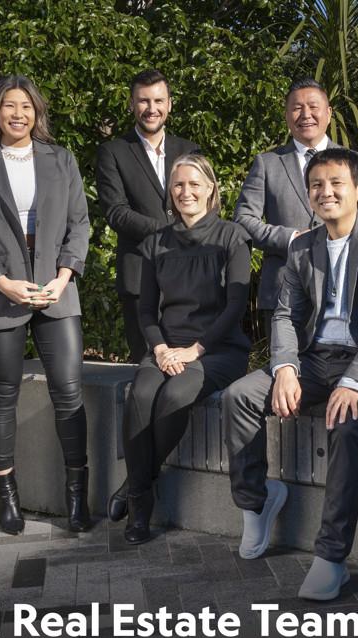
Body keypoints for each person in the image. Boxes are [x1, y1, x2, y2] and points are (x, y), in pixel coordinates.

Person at [223, 148, 358, 601]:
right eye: (316, 185)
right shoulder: (302, 246)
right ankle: (255, 503)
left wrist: (353, 381)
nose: (325, 192)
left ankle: (332, 556)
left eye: (336, 183)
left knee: (346, 422)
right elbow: (285, 315)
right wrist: (285, 368)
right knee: (239, 396)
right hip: (315, 360)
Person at [0, 75, 92, 534]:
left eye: (27, 106)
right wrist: (1, 281)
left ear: (37, 113)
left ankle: (77, 498)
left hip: (56, 290)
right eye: (10, 106)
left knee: (69, 392)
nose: (19, 114)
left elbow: (79, 223)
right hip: (1, 293)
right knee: (2, 394)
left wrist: (64, 277)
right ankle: (7, 498)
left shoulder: (62, 159)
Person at [106, 154, 251, 545]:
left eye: (194, 184)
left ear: (210, 189)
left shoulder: (232, 237)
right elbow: (145, 311)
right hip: (166, 347)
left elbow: (236, 306)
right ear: (170, 192)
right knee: (140, 394)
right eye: (178, 185)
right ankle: (140, 496)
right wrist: (159, 348)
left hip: (218, 349)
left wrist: (195, 351)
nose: (186, 192)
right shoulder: (156, 243)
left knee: (174, 395)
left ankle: (136, 490)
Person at [233, 78, 358, 340]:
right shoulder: (268, 163)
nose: (306, 115)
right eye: (296, 108)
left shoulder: (354, 161)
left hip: (348, 292)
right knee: (285, 364)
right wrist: (291, 238)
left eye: (313, 107)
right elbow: (243, 220)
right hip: (285, 294)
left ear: (328, 113)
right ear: (286, 115)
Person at [95, 69, 200, 362]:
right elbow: (116, 212)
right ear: (131, 104)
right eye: (143, 101)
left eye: (158, 101)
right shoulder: (113, 152)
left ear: (169, 104)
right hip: (140, 277)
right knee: (148, 367)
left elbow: (207, 203)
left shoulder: (189, 150)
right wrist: (170, 232)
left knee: (189, 369)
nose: (151, 109)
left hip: (191, 277)